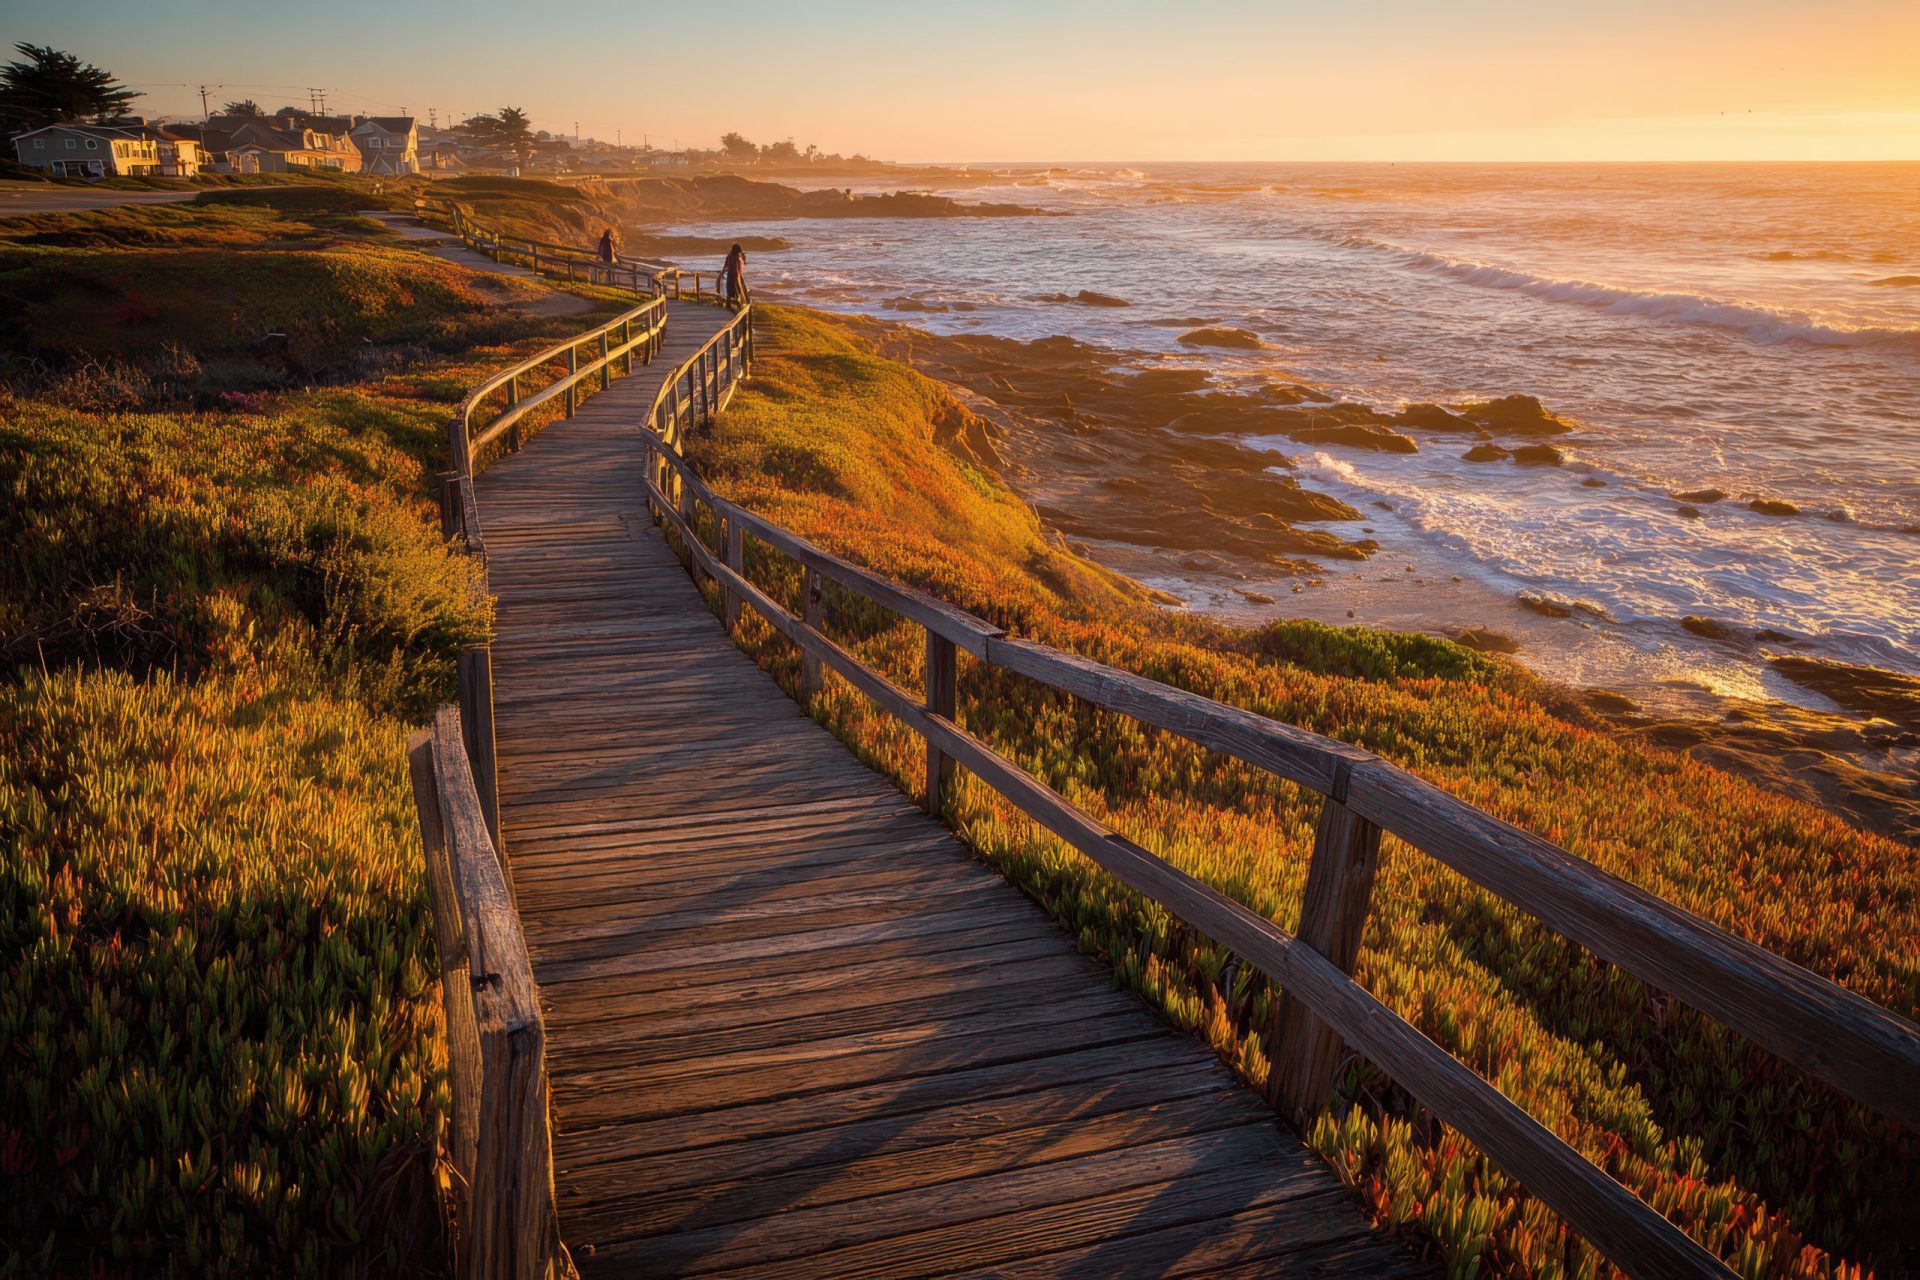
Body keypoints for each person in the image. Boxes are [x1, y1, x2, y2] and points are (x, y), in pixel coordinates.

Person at [722, 243, 749, 308]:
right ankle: (739, 306)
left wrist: (722, 273)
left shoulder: (730, 255)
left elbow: (725, 265)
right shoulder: (735, 256)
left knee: (730, 291)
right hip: (735, 276)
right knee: (738, 291)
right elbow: (735, 268)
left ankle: (729, 306)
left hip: (730, 275)